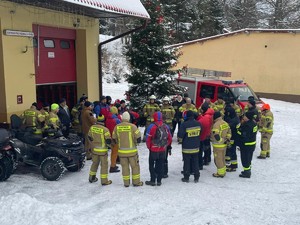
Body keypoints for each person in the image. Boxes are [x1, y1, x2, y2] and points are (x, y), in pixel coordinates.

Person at [112, 111, 143, 187]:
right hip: (132, 152)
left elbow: (113, 139)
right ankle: (136, 182)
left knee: (124, 168)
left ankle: (126, 183)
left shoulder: (117, 127)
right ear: (128, 118)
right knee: (135, 167)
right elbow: (138, 138)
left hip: (122, 152)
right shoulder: (133, 126)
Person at [145, 112, 172, 186]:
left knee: (151, 164)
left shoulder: (151, 126)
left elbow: (148, 138)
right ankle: (159, 180)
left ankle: (153, 180)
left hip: (153, 149)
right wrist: (165, 145)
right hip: (162, 149)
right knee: (160, 164)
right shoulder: (166, 126)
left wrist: (149, 147)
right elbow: (169, 138)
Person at [178, 110, 201, 183]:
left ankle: (186, 177)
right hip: (196, 147)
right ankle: (196, 177)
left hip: (186, 147)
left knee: (186, 162)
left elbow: (180, 135)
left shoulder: (184, 124)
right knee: (195, 162)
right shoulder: (198, 123)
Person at [88, 121, 112, 185]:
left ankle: (91, 178)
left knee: (94, 164)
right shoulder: (105, 130)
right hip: (102, 151)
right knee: (104, 166)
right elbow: (108, 141)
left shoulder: (92, 127)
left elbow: (89, 137)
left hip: (95, 150)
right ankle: (104, 181)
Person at [236, 111, 258, 178]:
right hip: (252, 144)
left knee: (245, 159)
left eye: (245, 116)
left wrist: (238, 130)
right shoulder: (254, 124)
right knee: (249, 158)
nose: (243, 117)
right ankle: (248, 169)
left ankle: (246, 172)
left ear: (247, 117)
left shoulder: (247, 125)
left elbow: (244, 135)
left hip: (246, 145)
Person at [210, 111, 231, 178]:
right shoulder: (225, 123)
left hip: (218, 145)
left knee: (218, 159)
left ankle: (220, 173)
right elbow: (229, 132)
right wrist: (227, 139)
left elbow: (216, 135)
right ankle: (223, 170)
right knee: (222, 158)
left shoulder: (216, 124)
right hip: (224, 145)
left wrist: (220, 140)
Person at [197, 102, 214, 168]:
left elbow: (205, 126)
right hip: (209, 133)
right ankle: (208, 158)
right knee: (207, 146)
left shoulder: (206, 116)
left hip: (206, 133)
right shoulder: (210, 114)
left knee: (205, 147)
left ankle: (206, 159)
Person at [224, 106, 240, 172]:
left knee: (232, 151)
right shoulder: (235, 118)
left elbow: (228, 126)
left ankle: (233, 166)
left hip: (233, 138)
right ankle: (233, 164)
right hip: (234, 137)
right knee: (231, 150)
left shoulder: (234, 120)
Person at [105, 106, 121, 173]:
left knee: (113, 152)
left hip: (110, 137)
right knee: (115, 152)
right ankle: (113, 166)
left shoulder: (107, 119)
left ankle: (113, 163)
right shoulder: (116, 120)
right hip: (115, 137)